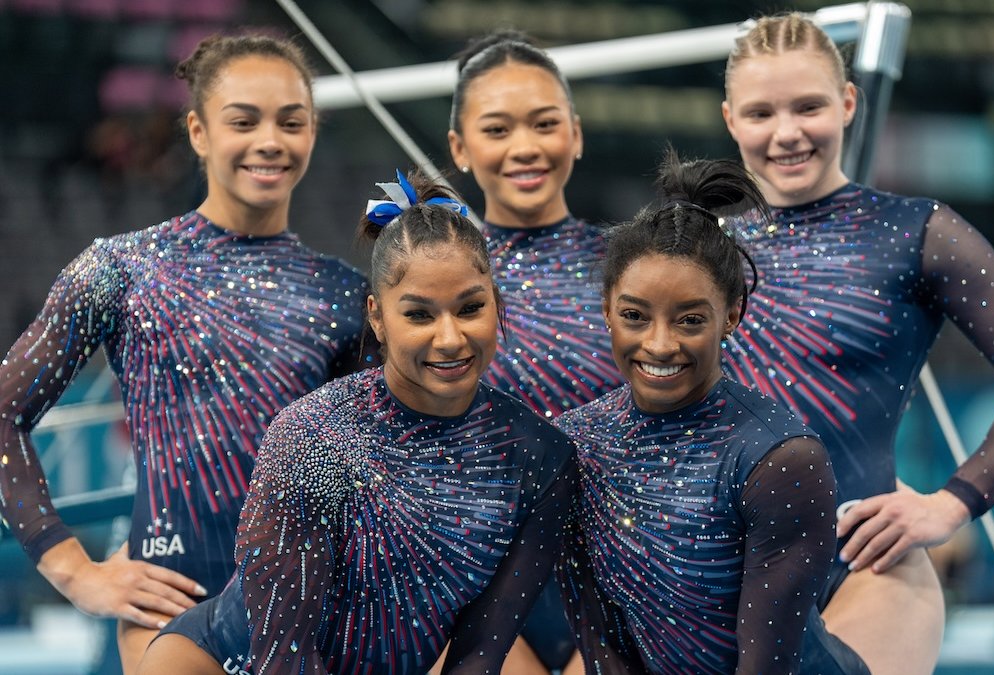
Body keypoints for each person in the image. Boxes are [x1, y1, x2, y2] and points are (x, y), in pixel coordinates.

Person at [719, 13, 994, 674]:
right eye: (761, 112)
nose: (787, 132)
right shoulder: (700, 251)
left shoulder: (916, 232)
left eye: (809, 106)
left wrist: (953, 501)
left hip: (868, 562)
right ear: (729, 119)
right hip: (723, 568)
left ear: (849, 103)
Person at [0, 33, 370, 673]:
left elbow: (378, 468)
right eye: (243, 120)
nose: (270, 140)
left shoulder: (343, 295)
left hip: (306, 607)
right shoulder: (121, 269)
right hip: (170, 598)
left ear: (312, 131)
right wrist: (69, 568)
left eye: (291, 121)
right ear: (198, 131)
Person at [138, 171, 578, 674]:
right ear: (376, 317)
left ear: (496, 304)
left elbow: (479, 652)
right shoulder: (314, 436)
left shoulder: (540, 457)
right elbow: (284, 656)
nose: (451, 338)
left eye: (470, 307)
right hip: (220, 664)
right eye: (419, 315)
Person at [554, 152, 867, 674]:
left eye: (690, 320)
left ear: (733, 315)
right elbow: (604, 648)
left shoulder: (779, 459)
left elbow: (768, 666)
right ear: (607, 308)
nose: (659, 344)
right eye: (634, 315)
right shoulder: (572, 448)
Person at [446, 30, 619, 674]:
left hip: (624, 585)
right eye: (497, 129)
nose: (525, 148)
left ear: (574, 133)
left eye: (545, 124)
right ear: (460, 149)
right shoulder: (425, 282)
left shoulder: (635, 272)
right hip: (470, 585)